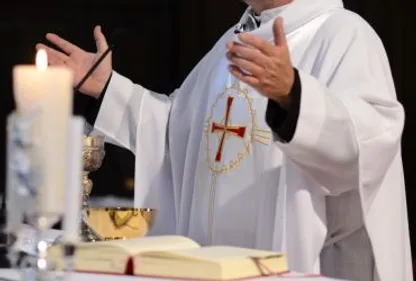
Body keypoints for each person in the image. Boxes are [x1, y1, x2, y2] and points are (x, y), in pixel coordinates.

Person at [37, 0, 413, 280]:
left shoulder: (342, 33)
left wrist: (294, 95)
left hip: (302, 261)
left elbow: (370, 140)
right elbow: (176, 131)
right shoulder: (232, 42)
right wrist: (106, 88)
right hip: (212, 267)